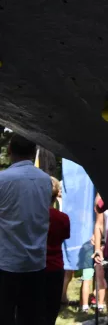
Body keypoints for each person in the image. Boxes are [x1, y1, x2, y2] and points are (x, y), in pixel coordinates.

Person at [0, 134, 52, 325]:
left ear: (9, 150)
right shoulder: (45, 180)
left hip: (7, 261)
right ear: (33, 152)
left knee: (4, 316)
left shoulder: (3, 179)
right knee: (30, 317)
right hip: (36, 261)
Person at [45, 177, 70, 324]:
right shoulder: (62, 218)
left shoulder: (32, 215)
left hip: (34, 266)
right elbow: (64, 237)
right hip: (55, 266)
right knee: (51, 309)